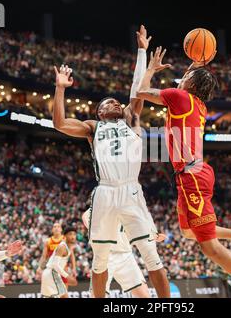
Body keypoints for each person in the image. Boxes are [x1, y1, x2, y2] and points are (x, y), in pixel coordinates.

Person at [136, 46, 231, 298]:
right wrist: (195, 66)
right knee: (187, 232)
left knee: (209, 247)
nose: (182, 78)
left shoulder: (180, 98)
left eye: (185, 78)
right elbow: (188, 82)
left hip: (192, 175)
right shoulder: (196, 103)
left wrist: (150, 69)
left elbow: (141, 92)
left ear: (190, 84)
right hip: (190, 173)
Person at [52, 25, 170, 298]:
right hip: (105, 191)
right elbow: (59, 123)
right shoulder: (93, 127)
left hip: (131, 189)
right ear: (99, 111)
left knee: (151, 255)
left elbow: (136, 89)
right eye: (109, 103)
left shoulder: (130, 117)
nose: (116, 104)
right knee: (100, 259)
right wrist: (60, 89)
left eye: (117, 102)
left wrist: (142, 52)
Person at [82, 210, 164, 298]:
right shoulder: (103, 201)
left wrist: (154, 235)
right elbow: (85, 216)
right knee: (97, 295)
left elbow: (139, 227)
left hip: (126, 255)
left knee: (144, 295)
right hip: (105, 254)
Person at [38, 222, 77, 291]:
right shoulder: (48, 241)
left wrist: (74, 268)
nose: (56, 228)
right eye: (54, 227)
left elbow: (72, 255)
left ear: (61, 230)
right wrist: (40, 267)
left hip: (63, 269)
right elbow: (44, 256)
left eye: (58, 227)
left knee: (64, 291)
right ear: (52, 230)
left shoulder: (65, 239)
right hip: (52, 269)